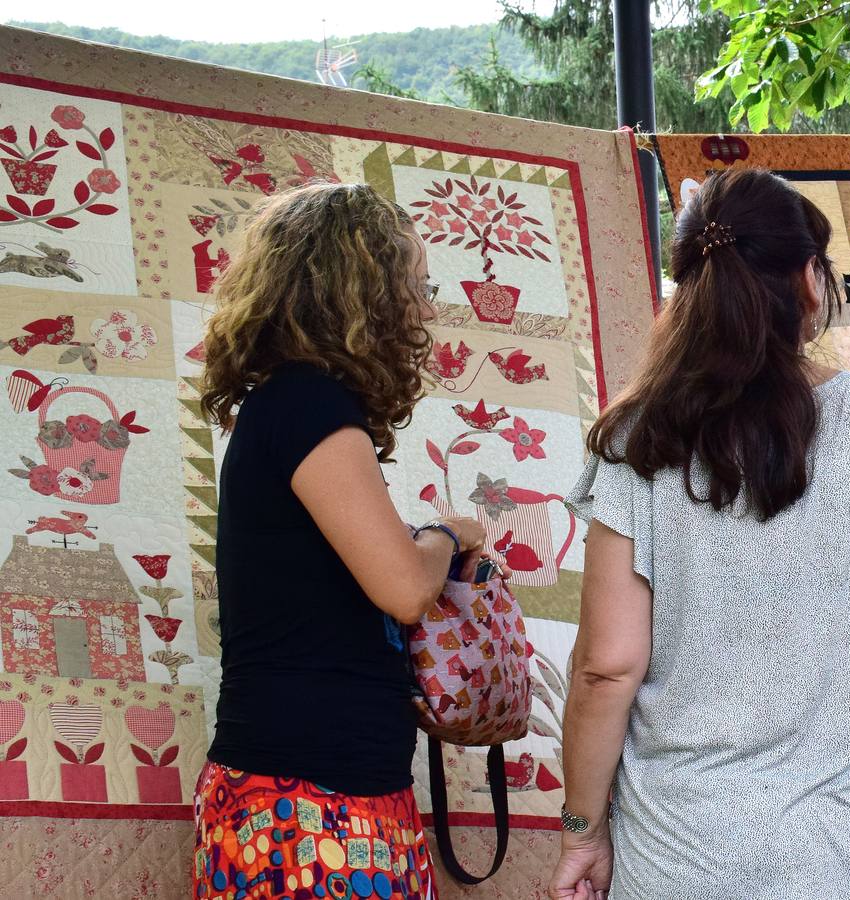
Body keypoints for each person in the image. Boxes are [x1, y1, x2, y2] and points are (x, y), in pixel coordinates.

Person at [549, 167, 850, 900]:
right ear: (809, 279)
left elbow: (606, 668)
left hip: (695, 861)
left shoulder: (642, 444)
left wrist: (583, 830)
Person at [193, 183, 498, 900]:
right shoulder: (307, 405)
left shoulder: (291, 407)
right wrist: (446, 533)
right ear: (363, 292)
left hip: (319, 795)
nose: (425, 307)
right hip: (305, 807)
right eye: (416, 285)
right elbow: (402, 586)